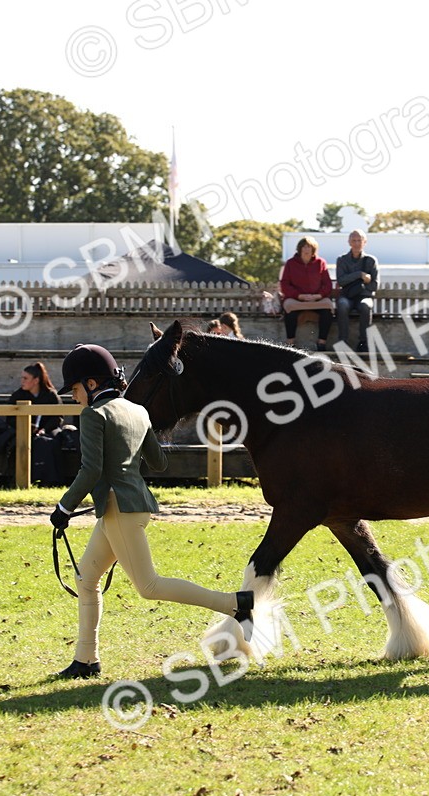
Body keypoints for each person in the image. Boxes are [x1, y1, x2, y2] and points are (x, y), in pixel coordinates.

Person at [48, 344, 254, 679]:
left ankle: (236, 603)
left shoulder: (93, 415)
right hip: (134, 505)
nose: (73, 397)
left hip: (119, 509)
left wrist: (63, 507)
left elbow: (90, 471)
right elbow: (158, 462)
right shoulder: (138, 412)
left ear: (90, 384)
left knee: (149, 587)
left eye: (73, 389)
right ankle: (86, 660)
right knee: (86, 578)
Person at [279, 236, 333, 351]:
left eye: (309, 247)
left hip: (317, 299)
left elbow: (327, 284)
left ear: (313, 249)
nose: (306, 249)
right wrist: (299, 296)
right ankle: (290, 343)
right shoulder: (290, 263)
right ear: (299, 249)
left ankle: (321, 343)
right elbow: (284, 284)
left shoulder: (321, 263)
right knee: (289, 307)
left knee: (328, 307)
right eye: (304, 247)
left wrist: (318, 296)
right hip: (297, 299)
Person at [335, 229, 380, 351]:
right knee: (342, 305)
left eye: (359, 240)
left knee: (366, 306)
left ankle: (363, 343)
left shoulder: (371, 261)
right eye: (354, 240)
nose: (356, 243)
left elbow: (374, 285)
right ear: (349, 242)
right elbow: (341, 281)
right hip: (347, 296)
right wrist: (359, 275)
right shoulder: (342, 259)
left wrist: (361, 285)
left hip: (364, 296)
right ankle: (343, 342)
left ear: (365, 242)